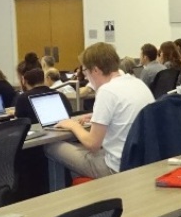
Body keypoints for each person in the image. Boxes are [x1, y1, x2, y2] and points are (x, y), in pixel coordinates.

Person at [44, 41, 153, 179]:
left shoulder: (107, 91)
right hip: (140, 161)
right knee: (79, 151)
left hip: (115, 168)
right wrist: (95, 116)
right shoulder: (137, 83)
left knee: (52, 146)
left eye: (85, 71)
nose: (86, 76)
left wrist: (72, 125)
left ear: (95, 70)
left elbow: (93, 144)